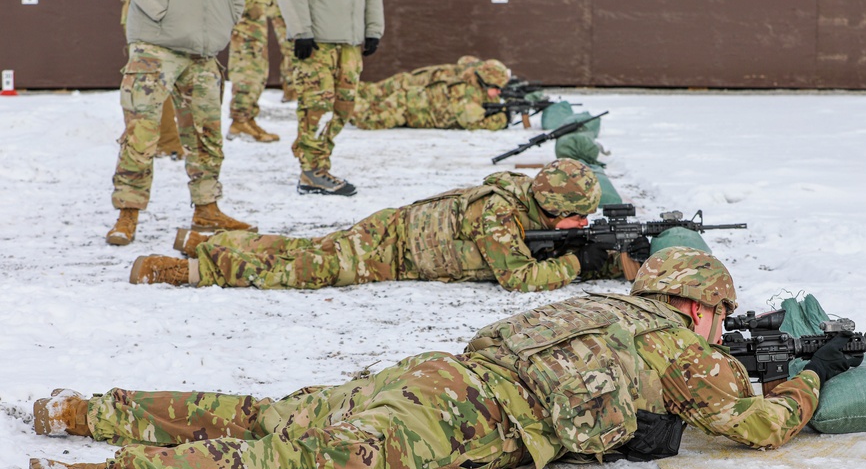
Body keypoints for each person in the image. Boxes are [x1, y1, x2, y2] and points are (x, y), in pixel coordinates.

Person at [27, 247, 866, 469]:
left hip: (435, 373)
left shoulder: (603, 304)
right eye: (720, 314)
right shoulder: (685, 349)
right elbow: (756, 425)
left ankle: (83, 408)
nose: (722, 326)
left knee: (265, 412)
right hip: (461, 423)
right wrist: (809, 380)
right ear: (698, 307)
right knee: (289, 463)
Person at [126, 159, 625, 292]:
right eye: (578, 214)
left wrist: (598, 258)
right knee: (304, 268)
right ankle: (182, 270)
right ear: (552, 203)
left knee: (306, 248)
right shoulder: (497, 213)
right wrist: (577, 264)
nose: (583, 222)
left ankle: (202, 241)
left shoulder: (528, 202)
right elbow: (518, 278)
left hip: (399, 230)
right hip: (391, 249)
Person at [107, 0, 256, 247]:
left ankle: (207, 208)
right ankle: (128, 210)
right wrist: (166, 10)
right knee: (141, 130)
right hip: (155, 40)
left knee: (206, 132)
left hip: (204, 46)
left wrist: (229, 12)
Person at [274, 0, 384, 196]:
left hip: (351, 41)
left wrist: (373, 27)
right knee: (317, 107)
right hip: (317, 41)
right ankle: (311, 170)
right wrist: (301, 30)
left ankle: (319, 163)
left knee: (343, 107)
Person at [226, 0, 296, 143]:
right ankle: (240, 119)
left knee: (288, 47)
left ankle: (248, 118)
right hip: (248, 2)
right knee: (249, 62)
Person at [114, 0, 184, 160]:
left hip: (164, 9)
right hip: (150, 12)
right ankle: (164, 142)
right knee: (155, 79)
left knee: (163, 76)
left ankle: (161, 140)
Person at [351, 57, 510, 131]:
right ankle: (340, 99)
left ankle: (344, 94)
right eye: (496, 87)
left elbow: (465, 60)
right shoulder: (464, 92)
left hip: (412, 94)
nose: (498, 92)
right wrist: (503, 118)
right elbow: (474, 123)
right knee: (365, 119)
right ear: (484, 82)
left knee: (368, 93)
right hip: (406, 105)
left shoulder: (473, 80)